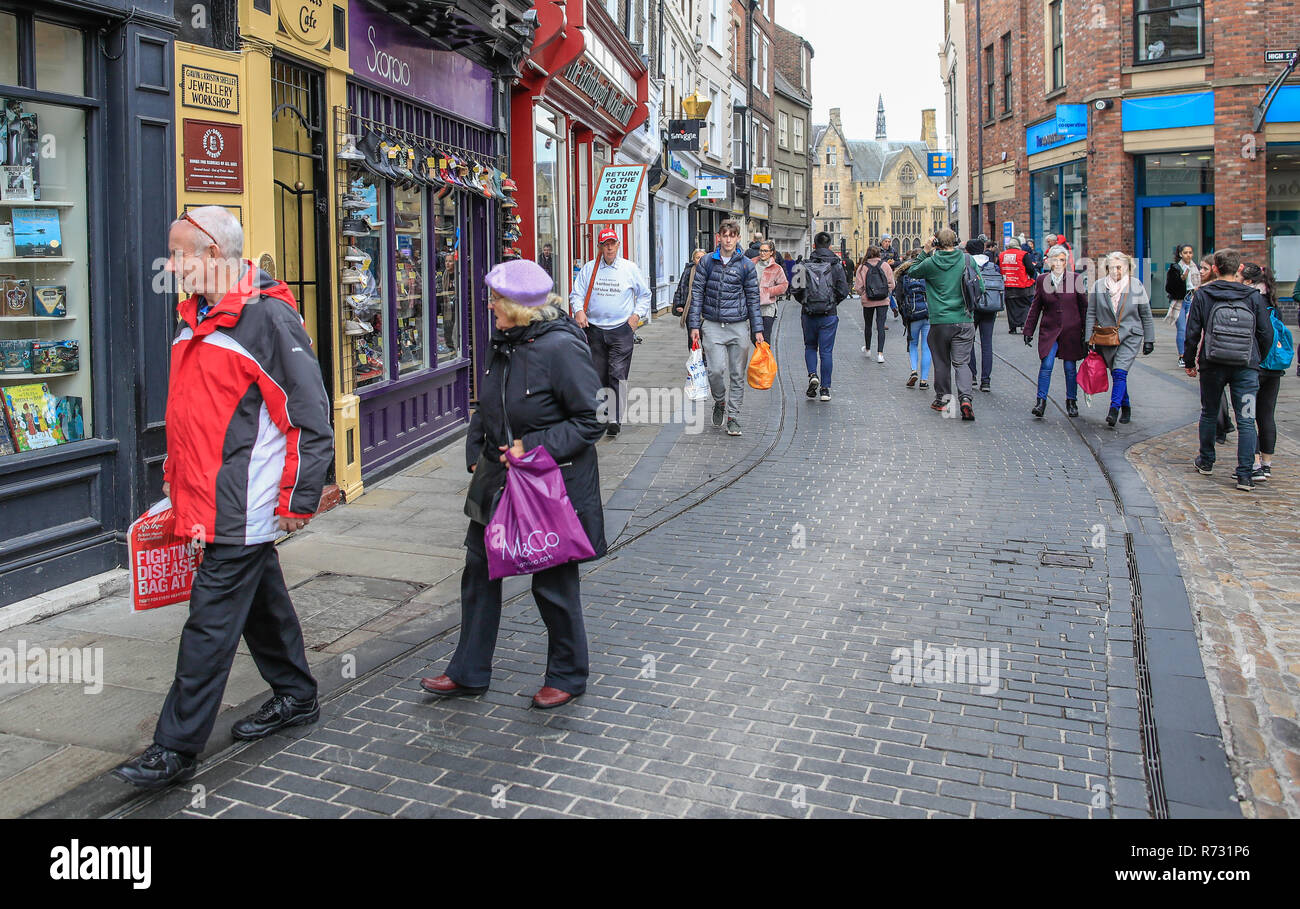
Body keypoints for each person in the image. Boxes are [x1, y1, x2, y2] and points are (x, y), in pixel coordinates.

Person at [113, 206, 333, 789]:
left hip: (243, 505)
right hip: (210, 497)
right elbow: (198, 413)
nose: (172, 264)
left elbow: (309, 417)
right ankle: (296, 694)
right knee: (260, 603)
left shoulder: (267, 319)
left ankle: (175, 749)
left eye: (180, 252)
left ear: (214, 255)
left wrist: (297, 500)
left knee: (209, 625)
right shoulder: (198, 315)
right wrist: (175, 477)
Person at [421, 259, 605, 709]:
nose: (489, 307)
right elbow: (488, 404)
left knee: (552, 582)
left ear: (518, 308)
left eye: (495, 300)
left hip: (549, 486)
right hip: (498, 478)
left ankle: (567, 673)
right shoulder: (504, 341)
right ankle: (468, 671)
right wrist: (475, 449)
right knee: (478, 572)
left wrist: (532, 446)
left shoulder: (561, 348)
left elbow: (592, 419)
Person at [1184, 249, 1274, 490]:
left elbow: (1192, 333)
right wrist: (1256, 359)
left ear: (1215, 268)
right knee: (1246, 418)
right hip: (1245, 366)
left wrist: (1190, 362)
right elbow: (1266, 333)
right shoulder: (1253, 296)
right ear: (1240, 269)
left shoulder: (1203, 294)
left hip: (1213, 364)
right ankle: (1245, 474)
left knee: (1210, 412)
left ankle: (1206, 461)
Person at [569, 227, 652, 438]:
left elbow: (644, 295)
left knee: (617, 373)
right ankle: (603, 414)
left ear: (618, 245)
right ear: (599, 246)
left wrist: (635, 318)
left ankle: (614, 418)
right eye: (605, 244)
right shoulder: (590, 269)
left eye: (612, 243)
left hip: (621, 331)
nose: (609, 247)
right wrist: (579, 311)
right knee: (598, 375)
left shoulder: (629, 268)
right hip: (594, 330)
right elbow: (576, 294)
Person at [689, 219, 764, 436]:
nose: (728, 239)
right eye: (725, 235)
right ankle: (720, 401)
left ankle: (733, 416)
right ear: (718, 238)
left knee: (737, 373)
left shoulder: (746, 265)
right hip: (712, 325)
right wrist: (694, 324)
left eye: (733, 235)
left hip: (739, 325)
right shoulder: (706, 262)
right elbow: (697, 294)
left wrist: (757, 330)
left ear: (738, 238)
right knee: (715, 371)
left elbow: (752, 298)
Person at [910, 228, 979, 421]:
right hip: (964, 320)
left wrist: (924, 250)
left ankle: (944, 400)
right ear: (956, 242)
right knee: (962, 362)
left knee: (941, 362)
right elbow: (979, 287)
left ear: (936, 244)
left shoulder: (931, 263)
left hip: (940, 321)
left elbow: (913, 271)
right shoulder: (967, 260)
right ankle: (966, 398)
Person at [1085, 251, 1156, 428]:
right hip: (1106, 337)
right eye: (1112, 267)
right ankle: (1126, 405)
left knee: (1119, 372)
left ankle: (1113, 409)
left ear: (1127, 267)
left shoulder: (1136, 286)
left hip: (1130, 335)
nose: (1116, 270)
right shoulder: (1099, 286)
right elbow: (1091, 313)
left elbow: (1146, 315)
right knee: (1116, 373)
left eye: (1120, 267)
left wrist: (1149, 339)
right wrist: (1088, 338)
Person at [1023, 244, 1087, 419]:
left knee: (1069, 367)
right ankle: (1040, 402)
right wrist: (1028, 330)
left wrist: (1087, 333)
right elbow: (1035, 308)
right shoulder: (1043, 280)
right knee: (1047, 364)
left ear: (1066, 262)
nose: (1059, 263)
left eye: (1062, 260)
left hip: (1071, 330)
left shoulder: (1075, 279)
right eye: (1055, 260)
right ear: (1049, 261)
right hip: (1050, 330)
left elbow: (1084, 308)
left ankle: (1071, 401)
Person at [794, 231, 850, 402]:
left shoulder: (802, 264)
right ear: (830, 246)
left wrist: (806, 302)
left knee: (810, 346)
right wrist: (832, 303)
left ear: (814, 246)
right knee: (826, 352)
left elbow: (795, 289)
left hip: (809, 313)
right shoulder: (837, 265)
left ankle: (812, 375)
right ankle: (825, 389)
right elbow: (844, 291)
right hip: (829, 315)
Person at [1241, 263, 1284, 484]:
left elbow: (1262, 334)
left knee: (1248, 416)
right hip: (1275, 368)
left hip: (1256, 366)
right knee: (1267, 415)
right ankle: (1266, 464)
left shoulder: (1252, 301)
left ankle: (1255, 463)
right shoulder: (1273, 302)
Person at [965, 238, 999, 392]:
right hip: (990, 307)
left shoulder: (968, 265)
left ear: (969, 251)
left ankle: (972, 375)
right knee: (987, 344)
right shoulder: (993, 266)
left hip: (972, 308)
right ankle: (986, 381)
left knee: (969, 342)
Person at [895, 250, 932, 389]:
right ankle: (924, 380)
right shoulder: (928, 272)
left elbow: (899, 296)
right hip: (927, 313)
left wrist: (903, 314)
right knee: (926, 346)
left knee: (913, 344)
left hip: (912, 314)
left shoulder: (904, 274)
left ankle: (914, 370)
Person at [855, 247, 895, 363]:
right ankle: (880, 354)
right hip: (883, 300)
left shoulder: (863, 267)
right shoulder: (885, 266)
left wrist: (864, 293)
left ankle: (867, 349)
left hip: (868, 300)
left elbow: (858, 287)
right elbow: (892, 284)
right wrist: (886, 292)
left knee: (868, 325)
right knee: (881, 325)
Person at [1164, 244, 1199, 368]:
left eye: (1190, 252)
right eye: (1185, 252)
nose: (1188, 255)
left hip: (1192, 298)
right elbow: (1169, 287)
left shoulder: (1196, 267)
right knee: (1182, 329)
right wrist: (1181, 279)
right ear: (1180, 254)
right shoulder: (1175, 268)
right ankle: (1182, 355)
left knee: (1192, 330)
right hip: (1179, 300)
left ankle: (1191, 355)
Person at [999, 237, 1037, 334]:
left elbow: (998, 268)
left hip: (1008, 285)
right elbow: (1030, 268)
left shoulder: (1002, 255)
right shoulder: (1023, 254)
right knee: (1025, 305)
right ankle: (1023, 324)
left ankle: (1013, 327)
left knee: (1011, 307)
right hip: (1022, 285)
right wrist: (1032, 277)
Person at [672, 248, 707, 352]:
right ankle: (694, 358)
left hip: (706, 309)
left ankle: (706, 358)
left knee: (706, 336)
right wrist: (679, 304)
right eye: (697, 257)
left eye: (702, 257)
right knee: (692, 336)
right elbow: (681, 288)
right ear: (693, 260)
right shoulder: (688, 271)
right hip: (690, 309)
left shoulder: (711, 271)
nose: (700, 260)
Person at [755, 240, 789, 341]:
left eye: (765, 251)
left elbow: (784, 285)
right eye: (761, 250)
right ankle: (761, 356)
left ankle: (765, 357)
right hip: (753, 307)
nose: (762, 253)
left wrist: (767, 292)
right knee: (754, 337)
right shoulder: (752, 264)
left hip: (768, 308)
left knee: (765, 339)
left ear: (771, 252)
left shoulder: (776, 268)